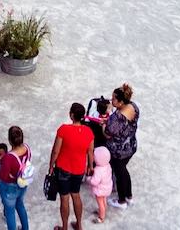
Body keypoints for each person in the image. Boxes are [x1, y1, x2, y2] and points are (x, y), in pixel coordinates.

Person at [48, 102, 94, 230]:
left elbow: (56, 150)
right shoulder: (89, 132)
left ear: (71, 115)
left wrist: (51, 165)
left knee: (64, 198)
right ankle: (79, 225)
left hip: (63, 168)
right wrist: (90, 166)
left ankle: (64, 227)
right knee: (76, 194)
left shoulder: (63, 129)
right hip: (79, 169)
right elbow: (90, 151)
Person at [102, 85, 137, 208]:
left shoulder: (117, 118)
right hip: (131, 145)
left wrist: (104, 124)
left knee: (119, 173)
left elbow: (107, 134)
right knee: (124, 171)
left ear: (121, 102)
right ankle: (129, 196)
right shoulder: (133, 106)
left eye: (114, 99)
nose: (111, 101)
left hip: (118, 152)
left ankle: (121, 201)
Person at [88, 145, 114, 222]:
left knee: (100, 203)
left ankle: (101, 217)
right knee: (104, 200)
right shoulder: (108, 165)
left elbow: (94, 182)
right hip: (107, 187)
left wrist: (88, 179)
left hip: (100, 190)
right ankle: (103, 210)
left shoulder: (98, 170)